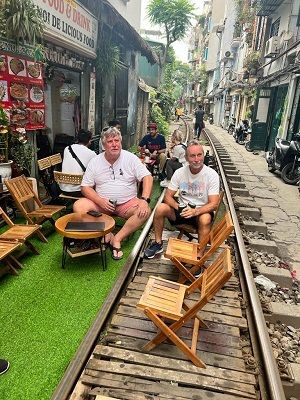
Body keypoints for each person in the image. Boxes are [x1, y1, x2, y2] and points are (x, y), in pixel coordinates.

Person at [73, 127, 153, 260]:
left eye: (117, 140)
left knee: (145, 211)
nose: (114, 144)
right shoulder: (95, 161)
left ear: (121, 142)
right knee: (79, 206)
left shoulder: (130, 158)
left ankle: (117, 238)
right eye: (110, 141)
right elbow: (85, 187)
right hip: (102, 205)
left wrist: (144, 200)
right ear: (104, 145)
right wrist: (99, 201)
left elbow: (147, 177)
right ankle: (105, 235)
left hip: (127, 204)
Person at [144, 140, 220, 259]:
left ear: (203, 155)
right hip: (182, 209)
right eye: (192, 156)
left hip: (200, 211)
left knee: (205, 219)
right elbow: (168, 196)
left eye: (199, 155)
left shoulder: (211, 175)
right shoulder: (180, 172)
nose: (196, 159)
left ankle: (198, 256)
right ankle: (158, 243)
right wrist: (179, 207)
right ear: (186, 158)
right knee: (160, 208)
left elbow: (214, 204)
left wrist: (195, 211)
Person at [60, 129, 96, 197]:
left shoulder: (67, 148)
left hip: (64, 189)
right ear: (89, 141)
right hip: (80, 191)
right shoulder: (92, 154)